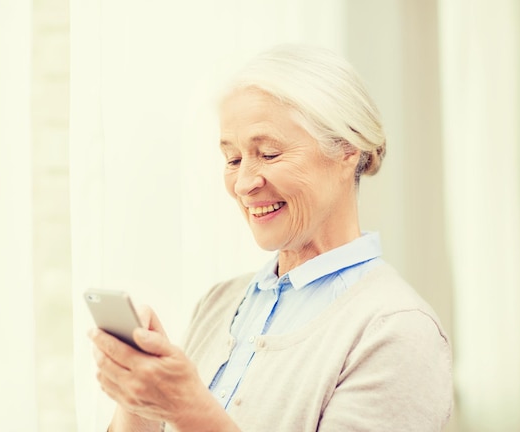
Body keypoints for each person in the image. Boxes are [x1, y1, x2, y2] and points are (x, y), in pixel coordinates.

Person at [88, 44, 453, 432]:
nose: (244, 183)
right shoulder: (219, 304)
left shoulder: (397, 331)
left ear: (347, 148)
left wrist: (186, 408)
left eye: (269, 153)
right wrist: (140, 401)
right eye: (232, 159)